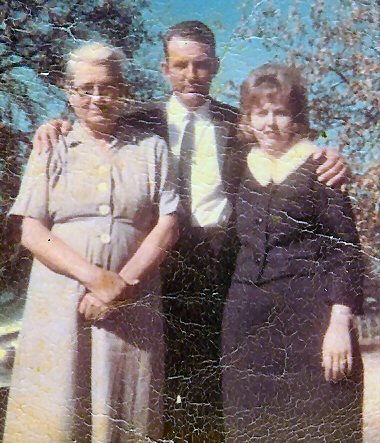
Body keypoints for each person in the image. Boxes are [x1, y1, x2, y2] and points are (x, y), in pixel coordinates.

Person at [32, 21, 349, 442]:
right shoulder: (138, 121)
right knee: (158, 381)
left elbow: (289, 147)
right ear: (164, 69)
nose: (191, 75)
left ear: (215, 66)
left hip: (225, 267)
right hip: (153, 266)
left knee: (221, 381)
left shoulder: (240, 123)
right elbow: (93, 122)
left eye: (201, 65)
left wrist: (331, 153)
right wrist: (54, 125)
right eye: (181, 65)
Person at [3, 42, 179, 443]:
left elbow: (168, 224)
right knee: (58, 411)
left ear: (122, 90)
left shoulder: (152, 149)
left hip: (130, 307)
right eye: (87, 88)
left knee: (123, 414)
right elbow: (32, 230)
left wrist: (121, 284)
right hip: (59, 304)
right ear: (69, 92)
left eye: (108, 87)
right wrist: (93, 276)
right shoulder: (51, 146)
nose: (98, 98)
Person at [222, 64, 364, 442]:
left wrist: (339, 324)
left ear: (296, 117)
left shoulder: (321, 167)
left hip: (310, 321)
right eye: (260, 113)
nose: (270, 123)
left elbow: (347, 250)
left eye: (280, 112)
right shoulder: (237, 166)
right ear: (248, 118)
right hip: (247, 322)